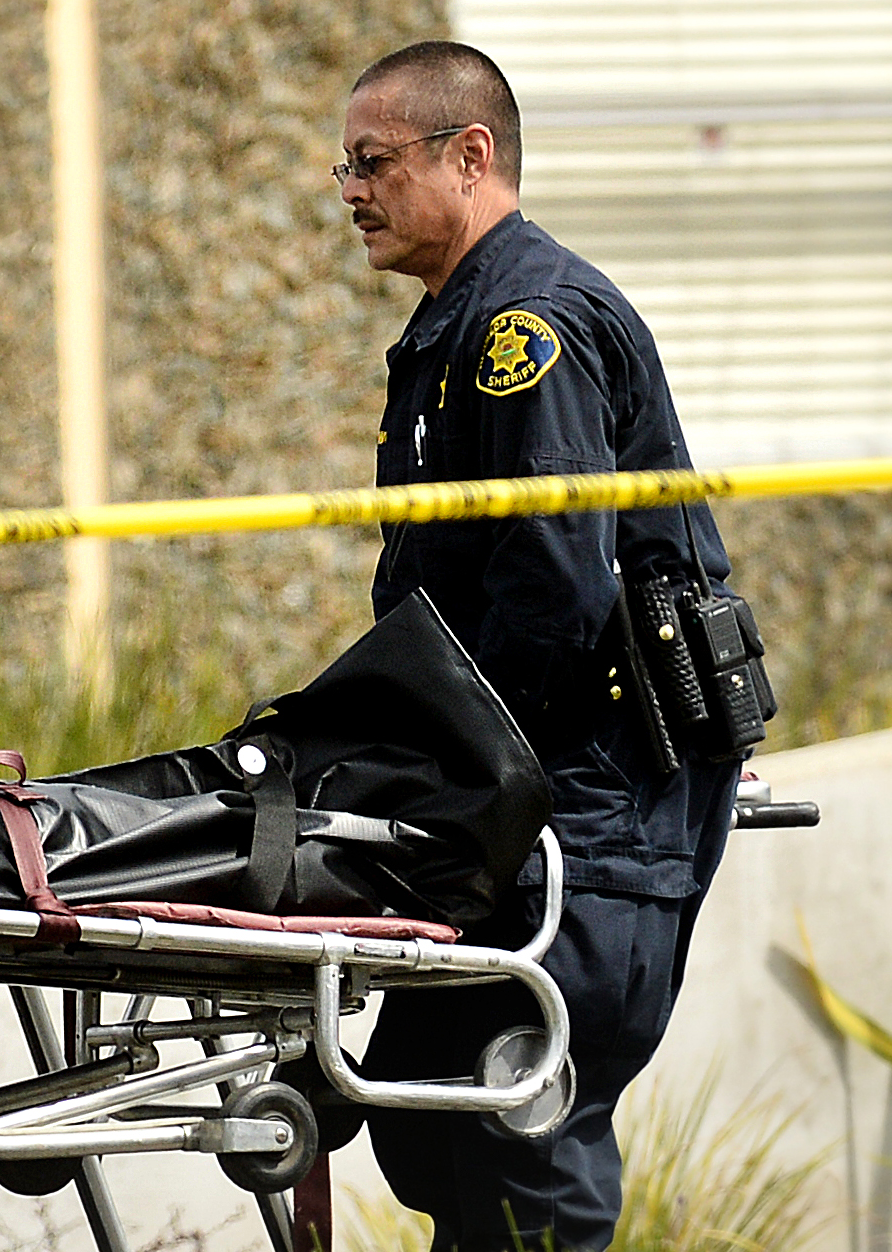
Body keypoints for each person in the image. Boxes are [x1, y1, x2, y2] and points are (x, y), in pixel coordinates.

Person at [333, 41, 743, 1251]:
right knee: (431, 1129)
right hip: (522, 796)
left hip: (588, 798)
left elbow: (556, 594)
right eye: (341, 167)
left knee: (524, 1138)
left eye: (372, 162)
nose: (350, 191)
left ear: (469, 156)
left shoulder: (527, 325)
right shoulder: (452, 327)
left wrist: (451, 768)